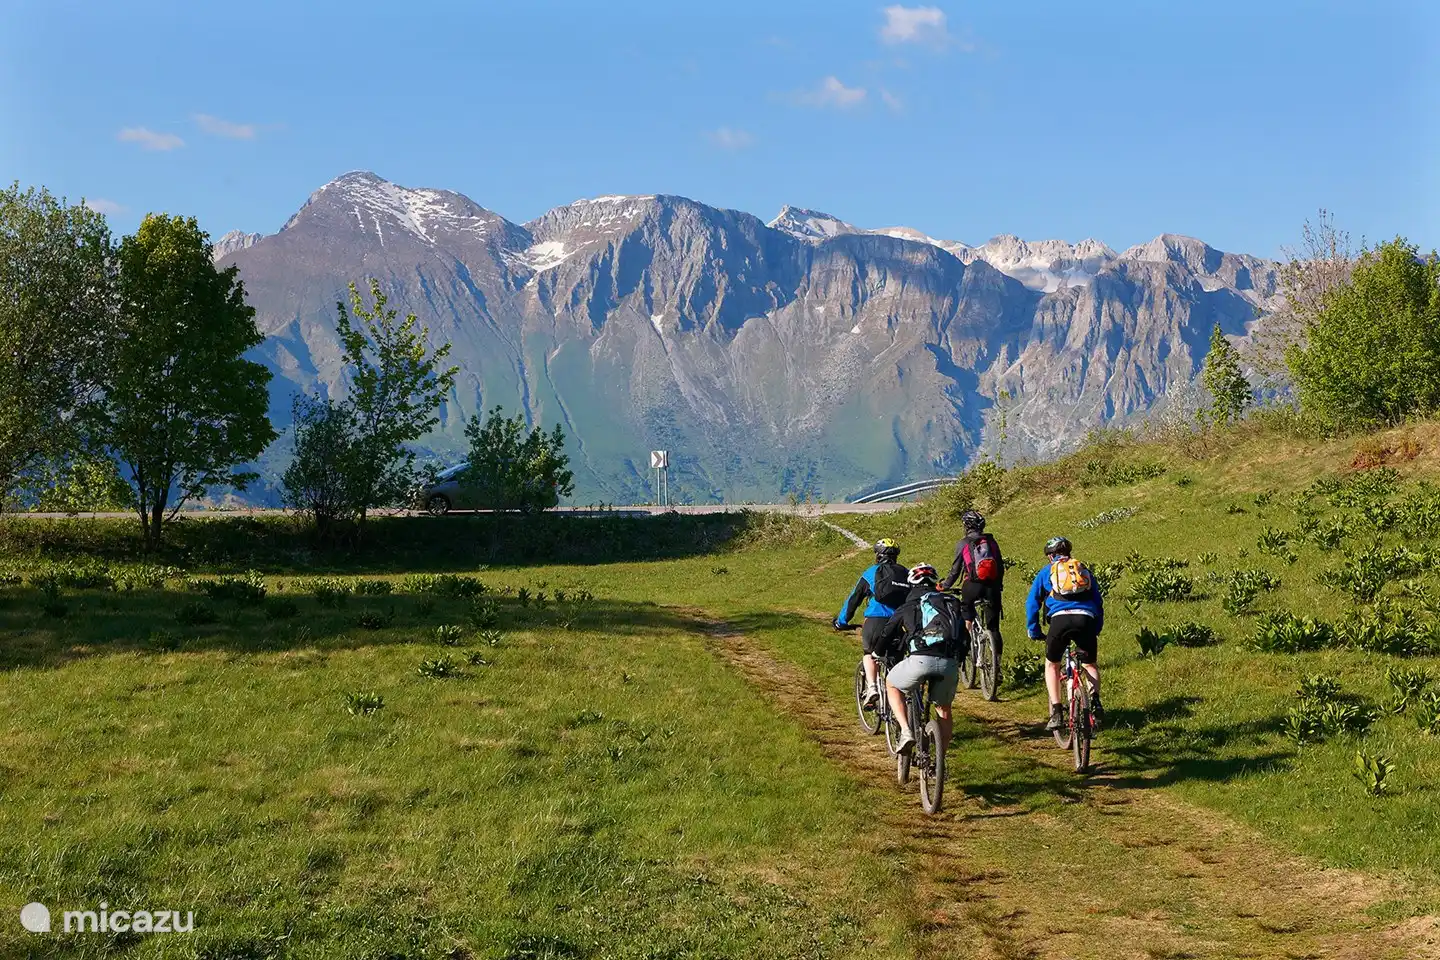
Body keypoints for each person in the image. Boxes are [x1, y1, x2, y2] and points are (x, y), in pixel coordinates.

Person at [877, 563, 962, 755]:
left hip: (920, 660)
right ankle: (940, 759)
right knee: (944, 709)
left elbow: (887, 632)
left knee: (892, 684)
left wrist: (877, 652)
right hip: (948, 662)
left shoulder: (909, 605)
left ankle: (906, 731)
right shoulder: (952, 603)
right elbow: (964, 636)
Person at [1025, 536, 1104, 731]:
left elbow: (1032, 603)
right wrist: (1096, 627)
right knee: (1089, 663)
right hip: (1086, 619)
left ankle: (1057, 712)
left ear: (1050, 556)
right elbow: (1098, 601)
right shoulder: (1083, 570)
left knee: (1052, 664)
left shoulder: (1046, 572)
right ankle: (1095, 703)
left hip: (1059, 621)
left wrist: (1034, 630)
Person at [834, 538, 911, 706]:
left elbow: (853, 600)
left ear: (878, 555)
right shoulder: (906, 573)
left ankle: (872, 687)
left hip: (876, 622)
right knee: (896, 662)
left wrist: (841, 622)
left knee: (869, 653)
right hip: (901, 623)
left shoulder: (871, 572)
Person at [939, 509, 1005, 671]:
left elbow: (955, 571)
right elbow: (1000, 566)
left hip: (972, 586)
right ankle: (998, 666)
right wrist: (999, 584)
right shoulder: (991, 542)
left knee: (966, 618)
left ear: (966, 526)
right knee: (993, 627)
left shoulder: (963, 543)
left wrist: (944, 586)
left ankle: (962, 654)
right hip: (992, 587)